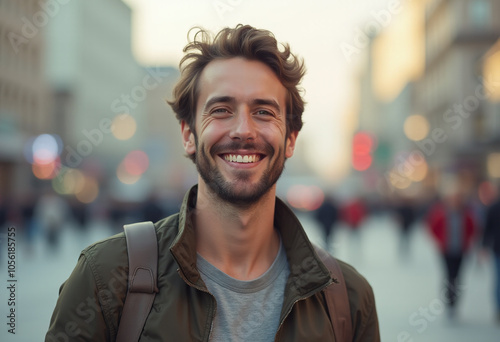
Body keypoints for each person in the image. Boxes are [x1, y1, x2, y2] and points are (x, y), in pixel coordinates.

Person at [46, 24, 379, 341]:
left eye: (263, 112)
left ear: (291, 138)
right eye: (221, 109)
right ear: (189, 135)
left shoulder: (346, 298)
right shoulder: (105, 278)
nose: (243, 130)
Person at [426, 190, 477, 318]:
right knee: (449, 276)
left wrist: (468, 241)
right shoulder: (442, 213)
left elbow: (473, 228)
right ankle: (449, 301)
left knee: (457, 276)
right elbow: (432, 227)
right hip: (446, 250)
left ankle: (455, 302)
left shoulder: (465, 214)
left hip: (460, 250)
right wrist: (439, 241)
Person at [482, 191, 500, 324]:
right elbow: (487, 229)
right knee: (498, 280)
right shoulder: (494, 208)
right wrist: (484, 246)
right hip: (498, 250)